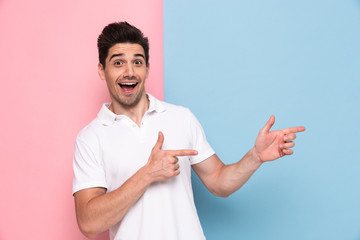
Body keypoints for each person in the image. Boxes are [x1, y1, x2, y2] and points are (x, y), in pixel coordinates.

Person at [72, 22, 306, 240]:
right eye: (118, 62)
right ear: (102, 70)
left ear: (147, 68)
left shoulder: (181, 118)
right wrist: (148, 174)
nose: (129, 72)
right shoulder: (91, 138)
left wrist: (255, 157)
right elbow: (89, 224)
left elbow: (219, 181)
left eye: (138, 62)